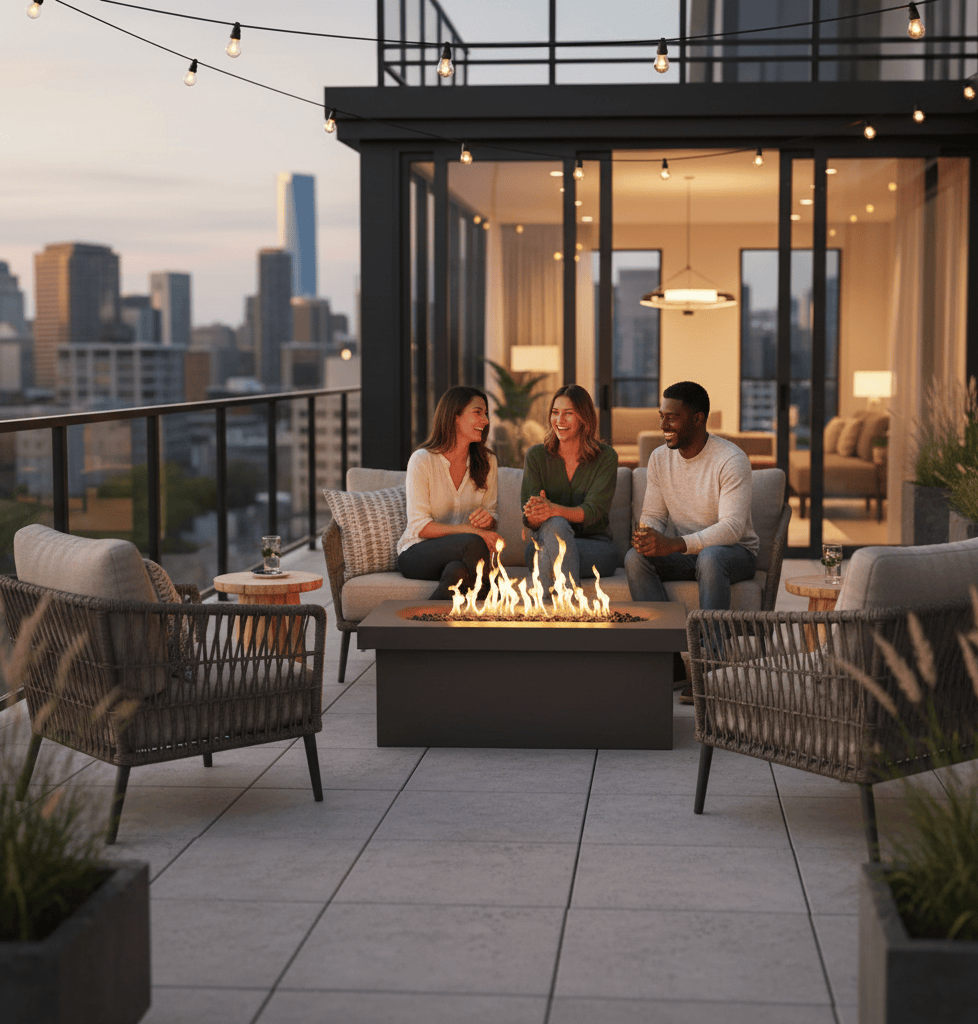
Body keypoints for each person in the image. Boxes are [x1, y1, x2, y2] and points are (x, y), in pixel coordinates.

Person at [626, 380, 759, 700]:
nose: (663, 425)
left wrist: (673, 544)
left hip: (735, 553)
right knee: (635, 559)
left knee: (712, 556)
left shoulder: (730, 459)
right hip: (688, 550)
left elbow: (732, 529)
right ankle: (667, 662)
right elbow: (654, 514)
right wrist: (647, 534)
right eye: (661, 416)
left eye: (672, 417)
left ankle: (709, 666)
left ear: (698, 419)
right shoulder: (659, 458)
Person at [397, 386, 502, 600]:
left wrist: (488, 520)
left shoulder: (487, 462)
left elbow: (492, 514)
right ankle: (494, 607)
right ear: (455, 416)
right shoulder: (422, 460)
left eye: (486, 413)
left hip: (463, 556)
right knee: (473, 542)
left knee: (457, 573)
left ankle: (423, 629)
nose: (486, 420)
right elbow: (420, 526)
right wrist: (473, 532)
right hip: (417, 553)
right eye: (478, 412)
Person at [521, 383, 619, 596]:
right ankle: (570, 608)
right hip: (543, 541)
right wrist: (536, 515)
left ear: (584, 418)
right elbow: (529, 517)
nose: (559, 420)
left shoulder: (606, 457)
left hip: (596, 547)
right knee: (554, 528)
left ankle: (545, 608)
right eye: (555, 413)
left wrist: (551, 509)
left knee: (551, 543)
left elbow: (593, 511)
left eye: (568, 414)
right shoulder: (536, 456)